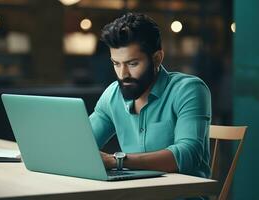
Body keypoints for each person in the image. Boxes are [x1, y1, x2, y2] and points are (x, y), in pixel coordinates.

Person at [89, 12, 211, 179]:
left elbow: (189, 153)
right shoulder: (112, 95)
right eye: (116, 64)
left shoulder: (189, 90)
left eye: (132, 63)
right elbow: (82, 145)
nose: (123, 74)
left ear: (157, 58)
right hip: (134, 192)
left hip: (182, 194)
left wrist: (116, 161)